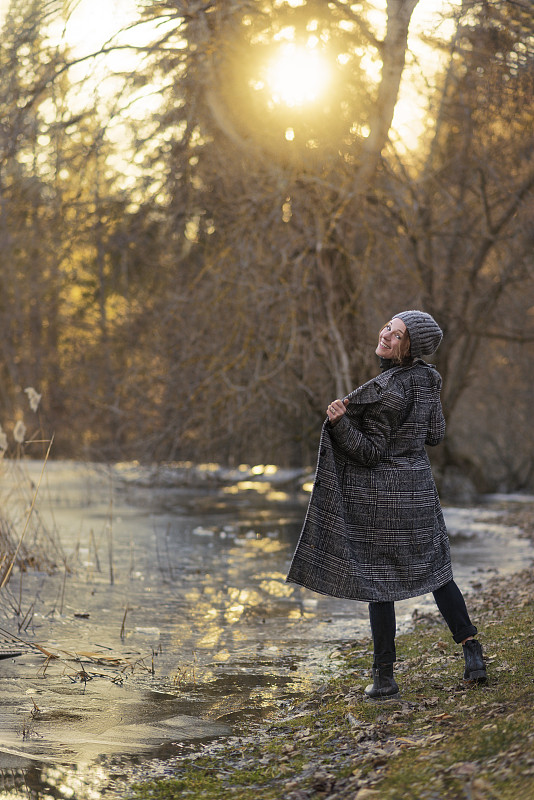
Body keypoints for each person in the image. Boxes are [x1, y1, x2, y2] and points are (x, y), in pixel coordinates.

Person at [286, 310, 486, 699]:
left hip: (383, 500)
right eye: (388, 327)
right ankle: (472, 653)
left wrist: (341, 422)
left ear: (410, 346)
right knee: (438, 573)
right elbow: (436, 434)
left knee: (380, 582)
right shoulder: (431, 379)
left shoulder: (384, 389)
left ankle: (384, 676)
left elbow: (369, 453)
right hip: (420, 494)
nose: (385, 335)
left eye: (396, 334)